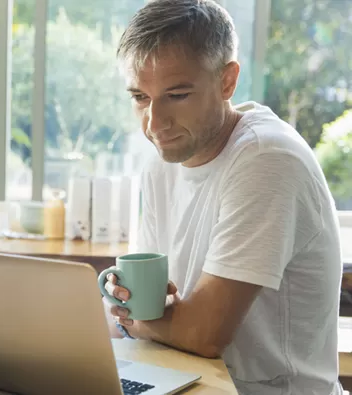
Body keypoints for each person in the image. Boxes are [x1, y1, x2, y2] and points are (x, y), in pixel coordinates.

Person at [103, 0, 344, 394]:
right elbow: (150, 308)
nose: (154, 123)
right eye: (140, 98)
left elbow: (202, 334)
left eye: (177, 95)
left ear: (227, 81)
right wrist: (130, 307)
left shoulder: (268, 160)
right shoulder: (161, 162)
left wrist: (133, 320)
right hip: (191, 383)